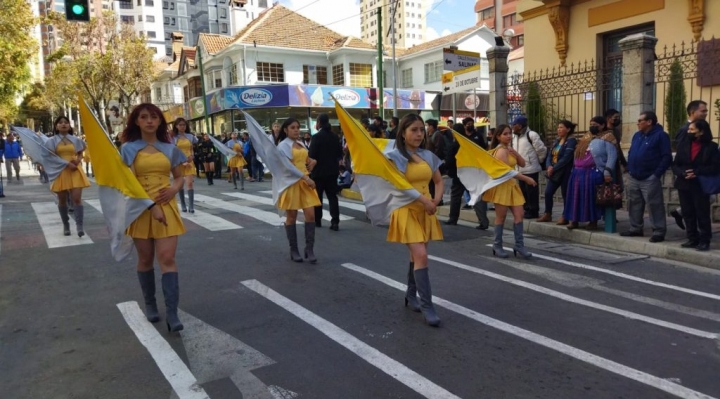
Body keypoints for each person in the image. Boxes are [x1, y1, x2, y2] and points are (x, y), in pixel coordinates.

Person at [120, 103, 187, 332]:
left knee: (167, 258)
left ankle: (172, 314)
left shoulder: (171, 148)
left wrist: (173, 190)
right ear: (136, 121)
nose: (149, 121)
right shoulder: (128, 149)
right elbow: (128, 184)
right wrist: (151, 207)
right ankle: (150, 303)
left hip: (167, 206)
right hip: (140, 209)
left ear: (160, 121)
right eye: (144, 117)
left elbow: (179, 177)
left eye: (154, 117)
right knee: (146, 259)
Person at [385, 114, 444, 326]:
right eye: (413, 130)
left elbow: (438, 181)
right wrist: (425, 201)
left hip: (426, 210)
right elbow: (402, 186)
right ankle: (428, 306)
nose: (419, 134)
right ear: (403, 133)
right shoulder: (395, 157)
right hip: (405, 209)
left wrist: (435, 200)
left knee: (415, 256)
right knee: (421, 255)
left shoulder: (428, 155)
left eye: (421, 129)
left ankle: (411, 296)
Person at [483, 124, 538, 259]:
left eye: (509, 133)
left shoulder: (508, 149)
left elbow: (523, 164)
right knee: (500, 218)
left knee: (519, 214)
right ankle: (497, 245)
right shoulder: (500, 151)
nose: (508, 136)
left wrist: (515, 153)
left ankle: (519, 246)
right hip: (502, 186)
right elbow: (508, 172)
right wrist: (526, 179)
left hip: (512, 186)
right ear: (498, 136)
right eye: (505, 134)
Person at [621, 111, 672, 242]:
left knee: (654, 205)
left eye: (640, 121)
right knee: (634, 203)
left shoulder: (661, 136)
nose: (637, 123)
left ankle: (659, 231)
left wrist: (656, 174)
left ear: (649, 122)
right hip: (634, 176)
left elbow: (666, 157)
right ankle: (635, 228)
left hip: (650, 177)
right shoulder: (637, 135)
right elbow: (632, 151)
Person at [277, 118, 321, 263]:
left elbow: (306, 160)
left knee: (311, 216)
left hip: (305, 183)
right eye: (293, 127)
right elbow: (289, 167)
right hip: (292, 183)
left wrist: (313, 161)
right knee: (292, 217)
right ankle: (293, 249)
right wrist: (306, 178)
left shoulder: (301, 143)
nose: (296, 130)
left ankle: (309, 249)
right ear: (286, 130)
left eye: (298, 127)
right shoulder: (283, 146)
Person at [671, 119, 719, 251]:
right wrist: (682, 173)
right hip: (684, 183)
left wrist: (696, 172)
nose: (689, 132)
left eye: (692, 130)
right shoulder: (683, 145)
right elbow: (675, 165)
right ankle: (692, 238)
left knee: (702, 213)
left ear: (701, 132)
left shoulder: (712, 147)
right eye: (689, 129)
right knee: (687, 212)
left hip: (700, 184)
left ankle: (705, 240)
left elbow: (715, 167)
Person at [563, 116, 617, 230]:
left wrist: (607, 173)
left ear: (602, 125)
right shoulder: (586, 137)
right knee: (575, 198)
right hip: (577, 172)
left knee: (591, 198)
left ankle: (593, 221)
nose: (592, 126)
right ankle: (574, 220)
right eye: (591, 124)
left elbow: (612, 156)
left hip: (593, 172)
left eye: (595, 124)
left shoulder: (608, 138)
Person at [45, 116, 91, 237]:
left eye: (66, 122)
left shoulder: (75, 140)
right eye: (60, 123)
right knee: (62, 200)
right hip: (60, 171)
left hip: (75, 170)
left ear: (69, 126)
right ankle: (66, 225)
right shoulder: (51, 141)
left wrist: (78, 160)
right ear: (56, 126)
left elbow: (81, 152)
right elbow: (51, 157)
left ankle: (80, 226)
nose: (63, 124)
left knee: (76, 199)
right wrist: (66, 163)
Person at [670, 100, 709, 230]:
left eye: (706, 111)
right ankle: (692, 234)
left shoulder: (703, 127)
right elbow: (682, 153)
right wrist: (685, 171)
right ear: (693, 112)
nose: (705, 113)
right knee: (691, 209)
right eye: (702, 111)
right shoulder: (685, 130)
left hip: (701, 175)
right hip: (688, 177)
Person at [445, 122, 490, 230]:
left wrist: (449, 172)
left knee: (455, 196)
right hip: (472, 173)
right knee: (476, 195)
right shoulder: (471, 142)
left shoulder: (454, 144)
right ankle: (483, 221)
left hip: (459, 174)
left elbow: (450, 160)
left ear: (454, 132)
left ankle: (453, 219)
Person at [538, 120, 577, 224]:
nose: (559, 129)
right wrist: (548, 165)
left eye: (561, 127)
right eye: (558, 127)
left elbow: (566, 158)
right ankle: (547, 213)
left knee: (566, 194)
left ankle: (565, 216)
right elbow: (550, 154)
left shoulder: (571, 141)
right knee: (548, 192)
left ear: (568, 129)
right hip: (554, 171)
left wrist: (553, 168)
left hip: (565, 171)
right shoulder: (557, 140)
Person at [309, 113, 343, 230]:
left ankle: (317, 220)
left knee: (318, 197)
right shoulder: (334, 136)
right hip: (332, 171)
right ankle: (335, 221)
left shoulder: (316, 137)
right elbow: (340, 153)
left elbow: (311, 155)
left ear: (319, 122)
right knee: (332, 197)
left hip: (318, 172)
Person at [510, 116, 547, 219]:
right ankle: (527, 209)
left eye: (514, 125)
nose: (512, 127)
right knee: (523, 191)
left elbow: (541, 150)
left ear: (520, 126)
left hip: (531, 168)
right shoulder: (514, 136)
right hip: (520, 169)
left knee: (532, 192)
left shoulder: (531, 135)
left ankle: (534, 211)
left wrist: (538, 161)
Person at [171, 118, 198, 212]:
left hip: (189, 161)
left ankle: (191, 206)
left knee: (189, 183)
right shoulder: (173, 138)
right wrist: (182, 161)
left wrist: (192, 156)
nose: (182, 127)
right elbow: (173, 151)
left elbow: (192, 148)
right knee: (180, 183)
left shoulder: (190, 136)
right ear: (176, 126)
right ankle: (183, 204)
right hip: (178, 163)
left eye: (184, 125)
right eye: (180, 125)